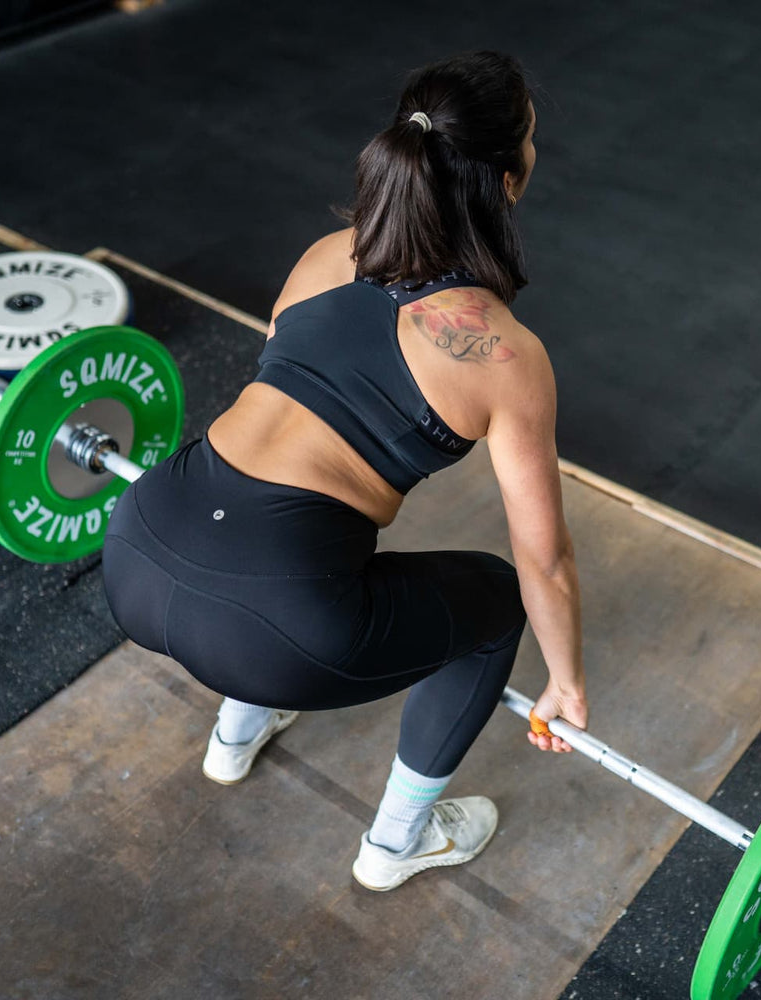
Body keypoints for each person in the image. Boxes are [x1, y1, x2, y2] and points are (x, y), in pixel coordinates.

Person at [101, 51, 587, 892]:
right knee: (498, 602)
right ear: (508, 179)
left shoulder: (329, 251)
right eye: (532, 139)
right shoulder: (505, 354)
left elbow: (280, 403)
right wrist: (566, 686)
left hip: (136, 551)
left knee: (307, 540)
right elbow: (545, 560)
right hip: (272, 628)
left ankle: (234, 737)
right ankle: (398, 843)